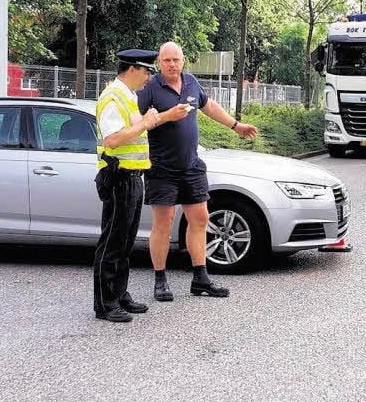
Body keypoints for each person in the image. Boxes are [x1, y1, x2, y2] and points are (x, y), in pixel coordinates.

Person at [138, 41, 258, 302]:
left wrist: (235, 125)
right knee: (164, 223)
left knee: (200, 219)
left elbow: (209, 106)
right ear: (159, 62)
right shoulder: (149, 87)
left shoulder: (191, 82)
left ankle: (200, 278)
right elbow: (137, 123)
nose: (172, 64)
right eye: (167, 60)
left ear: (183, 61)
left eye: (176, 59)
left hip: (191, 165)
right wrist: (168, 115)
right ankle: (160, 281)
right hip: (161, 167)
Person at [92, 49, 161, 323]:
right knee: (112, 242)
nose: (148, 78)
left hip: (133, 177)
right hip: (119, 177)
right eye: (146, 72)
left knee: (125, 242)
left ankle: (119, 294)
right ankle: (105, 303)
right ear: (133, 69)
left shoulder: (129, 96)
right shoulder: (112, 97)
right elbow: (112, 139)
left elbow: (135, 132)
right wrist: (144, 122)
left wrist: (152, 120)